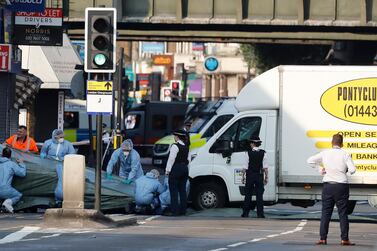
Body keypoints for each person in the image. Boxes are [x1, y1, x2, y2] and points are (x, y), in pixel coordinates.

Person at [307, 133, 356, 246]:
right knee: (342, 213)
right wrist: (345, 170)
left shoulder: (325, 153)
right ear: (342, 143)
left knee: (326, 213)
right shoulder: (345, 154)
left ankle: (322, 238)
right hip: (341, 186)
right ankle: (344, 239)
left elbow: (310, 160)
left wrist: (320, 169)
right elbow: (353, 170)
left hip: (328, 186)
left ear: (331, 142)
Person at [40, 129, 75, 204]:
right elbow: (42, 153)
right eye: (59, 137)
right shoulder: (47, 143)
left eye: (62, 137)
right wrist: (43, 160)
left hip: (62, 164)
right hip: (49, 163)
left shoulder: (67, 144)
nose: (61, 139)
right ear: (54, 137)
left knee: (61, 179)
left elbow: (72, 155)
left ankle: (59, 198)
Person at [241, 135, 268, 218]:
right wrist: (266, 177)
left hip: (250, 176)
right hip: (259, 176)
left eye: (250, 143)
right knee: (259, 195)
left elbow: (245, 167)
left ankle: (245, 213)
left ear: (253, 143)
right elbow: (265, 168)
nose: (250, 144)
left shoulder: (248, 153)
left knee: (248, 194)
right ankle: (260, 214)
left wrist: (243, 177)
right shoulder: (263, 153)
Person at [165, 129, 190, 216]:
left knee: (174, 190)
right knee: (182, 190)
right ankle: (183, 210)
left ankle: (174, 210)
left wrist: (167, 170)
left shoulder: (175, 146)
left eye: (175, 136)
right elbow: (188, 160)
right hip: (184, 169)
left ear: (178, 137)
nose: (174, 137)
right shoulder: (186, 146)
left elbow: (171, 159)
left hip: (176, 168)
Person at [0, 147, 26, 213]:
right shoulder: (12, 164)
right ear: (10, 156)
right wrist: (21, 163)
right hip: (5, 190)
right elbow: (22, 174)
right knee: (18, 195)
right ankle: (7, 203)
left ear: (2, 154)